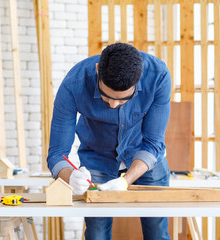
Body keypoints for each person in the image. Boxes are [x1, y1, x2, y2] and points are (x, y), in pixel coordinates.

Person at [47, 43, 171, 240]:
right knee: (96, 234)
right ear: (98, 70)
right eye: (106, 97)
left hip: (145, 160)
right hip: (98, 158)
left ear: (138, 82)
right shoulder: (74, 84)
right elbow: (56, 153)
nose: (113, 105)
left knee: (157, 232)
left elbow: (153, 143)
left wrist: (125, 181)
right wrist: (70, 176)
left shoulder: (158, 76)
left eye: (122, 100)